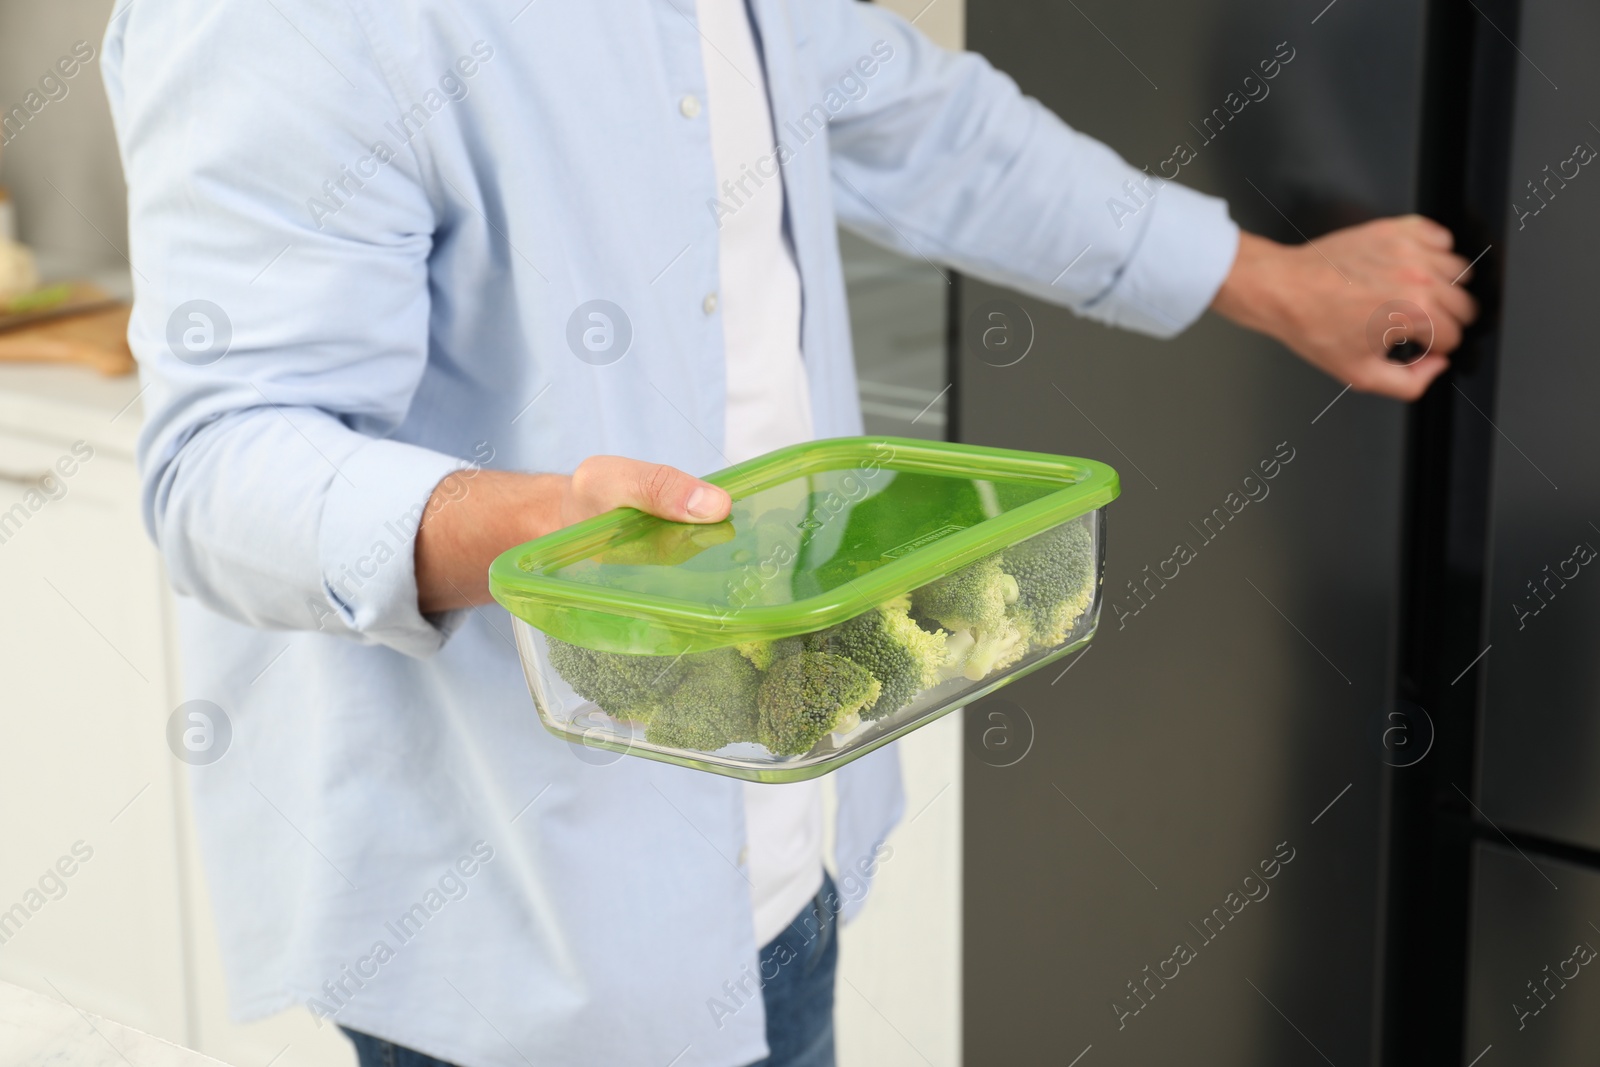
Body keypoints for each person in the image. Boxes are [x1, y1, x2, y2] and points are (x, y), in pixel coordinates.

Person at [102, 1, 1475, 1065]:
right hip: (523, 929)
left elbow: (924, 127)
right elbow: (222, 466)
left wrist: (1264, 278)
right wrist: (535, 532)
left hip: (774, 854)